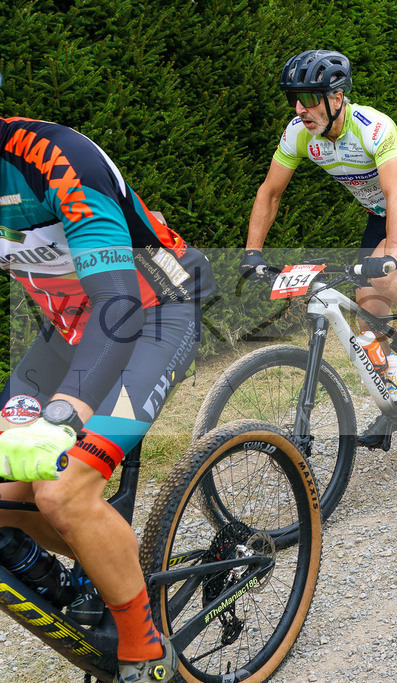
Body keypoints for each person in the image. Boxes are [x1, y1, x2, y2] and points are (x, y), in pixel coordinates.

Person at [0, 117, 216, 682]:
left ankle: (146, 652)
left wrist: (62, 414)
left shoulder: (54, 158)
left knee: (63, 490)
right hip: (68, 330)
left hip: (155, 311)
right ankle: (90, 571)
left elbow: (117, 304)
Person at [239, 50, 397, 448]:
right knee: (367, 307)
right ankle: (393, 399)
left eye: (309, 98)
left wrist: (390, 254)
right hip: (379, 212)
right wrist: (253, 254)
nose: (300, 109)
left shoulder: (373, 128)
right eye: (294, 99)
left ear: (337, 97)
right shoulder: (299, 134)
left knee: (384, 277)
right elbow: (270, 192)